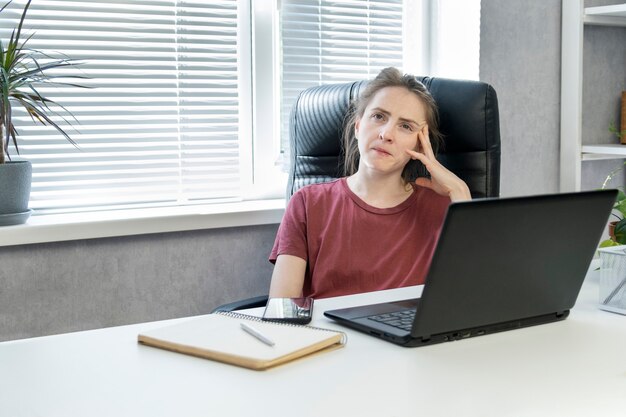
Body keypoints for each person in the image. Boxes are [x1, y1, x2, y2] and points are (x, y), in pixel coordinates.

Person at [268, 67, 471, 299]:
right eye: (379, 116)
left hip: (406, 334)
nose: (386, 134)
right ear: (357, 126)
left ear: (419, 144)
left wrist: (460, 192)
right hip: (329, 335)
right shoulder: (307, 202)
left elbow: (467, 298)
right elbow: (281, 310)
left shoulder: (446, 207)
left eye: (406, 126)